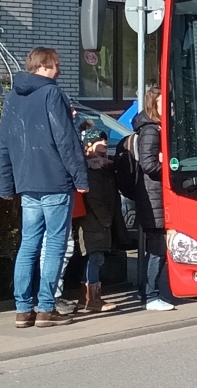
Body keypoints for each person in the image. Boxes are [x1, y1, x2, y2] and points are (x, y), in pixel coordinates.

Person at [0, 47, 87, 328]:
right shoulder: (52, 94)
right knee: (55, 244)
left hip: (27, 182)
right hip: (55, 181)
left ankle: (23, 310)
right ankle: (46, 307)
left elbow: (5, 144)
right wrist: (81, 177)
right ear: (45, 65)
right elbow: (66, 140)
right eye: (56, 65)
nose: (59, 70)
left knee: (28, 244)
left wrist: (6, 183)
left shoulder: (11, 97)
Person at [133, 86, 176, 311]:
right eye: (163, 103)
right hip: (154, 196)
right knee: (158, 248)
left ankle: (150, 291)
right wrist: (169, 166)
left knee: (159, 247)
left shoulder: (158, 128)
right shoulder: (151, 130)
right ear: (153, 104)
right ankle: (151, 295)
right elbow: (148, 164)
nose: (169, 107)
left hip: (157, 195)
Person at [78, 128, 120, 313]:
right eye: (99, 140)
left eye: (105, 139)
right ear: (88, 145)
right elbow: (94, 198)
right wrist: (105, 220)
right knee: (94, 257)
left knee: (97, 257)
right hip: (93, 222)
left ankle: (89, 298)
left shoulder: (104, 168)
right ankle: (91, 299)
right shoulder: (91, 169)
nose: (104, 142)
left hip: (99, 221)